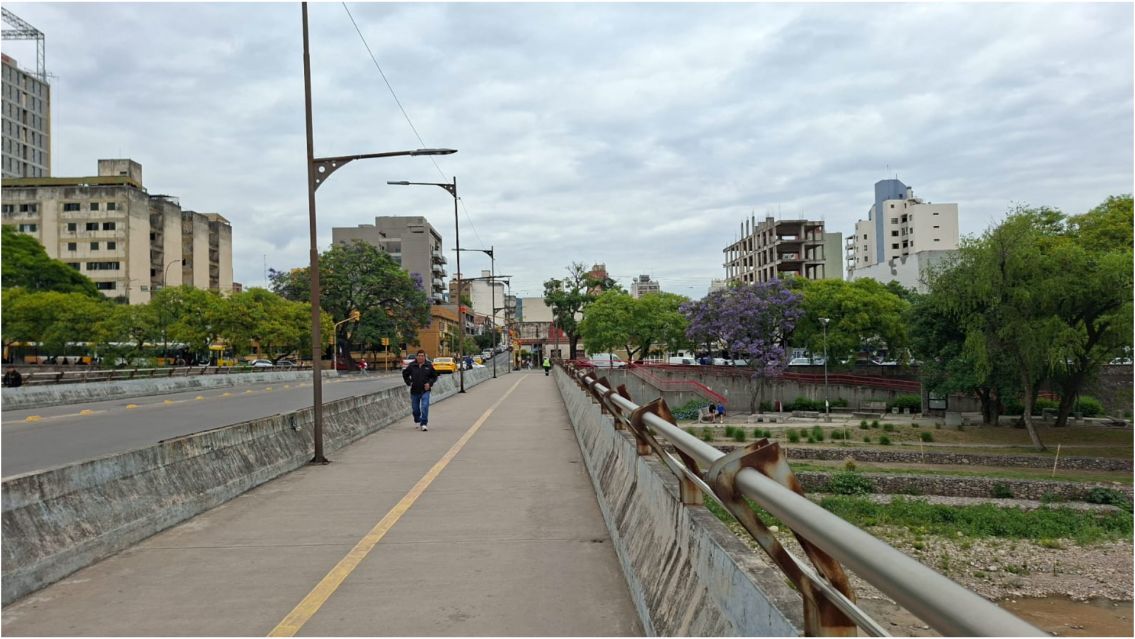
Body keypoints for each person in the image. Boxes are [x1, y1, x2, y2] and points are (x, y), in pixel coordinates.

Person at [401, 350, 438, 431]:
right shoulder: (412, 365)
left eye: (422, 356)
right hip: (414, 391)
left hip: (425, 391)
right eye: (419, 356)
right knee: (415, 409)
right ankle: (417, 419)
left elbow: (434, 376)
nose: (421, 357)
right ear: (416, 357)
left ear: (425, 357)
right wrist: (409, 382)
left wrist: (429, 383)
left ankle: (424, 423)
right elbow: (405, 374)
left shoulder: (429, 365)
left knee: (425, 406)